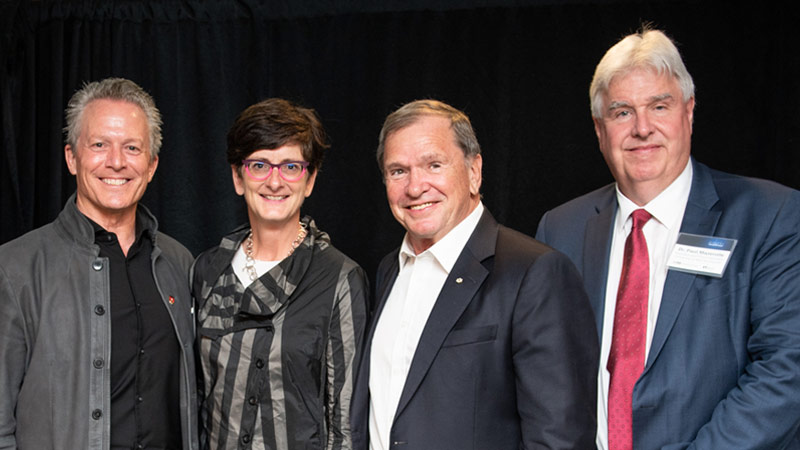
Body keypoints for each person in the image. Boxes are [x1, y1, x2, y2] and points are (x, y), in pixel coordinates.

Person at [536, 27, 800, 450]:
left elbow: (786, 370)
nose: (642, 128)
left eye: (659, 106)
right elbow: (546, 375)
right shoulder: (561, 229)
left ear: (689, 113)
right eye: (622, 112)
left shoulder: (771, 216)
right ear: (599, 129)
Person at [350, 99, 599, 450]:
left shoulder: (535, 272)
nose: (415, 186)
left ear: (474, 171)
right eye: (398, 171)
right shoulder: (389, 269)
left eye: (433, 165)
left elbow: (561, 439)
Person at [0, 78, 198, 450]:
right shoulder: (14, 269)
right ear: (72, 158)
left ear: (152, 165)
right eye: (99, 145)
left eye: (132, 147)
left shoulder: (179, 264)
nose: (117, 162)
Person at [192, 98, 368, 450]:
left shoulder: (339, 279)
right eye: (259, 165)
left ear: (310, 179)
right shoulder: (207, 270)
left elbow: (345, 422)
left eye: (290, 166)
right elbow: (195, 400)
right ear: (238, 177)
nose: (275, 182)